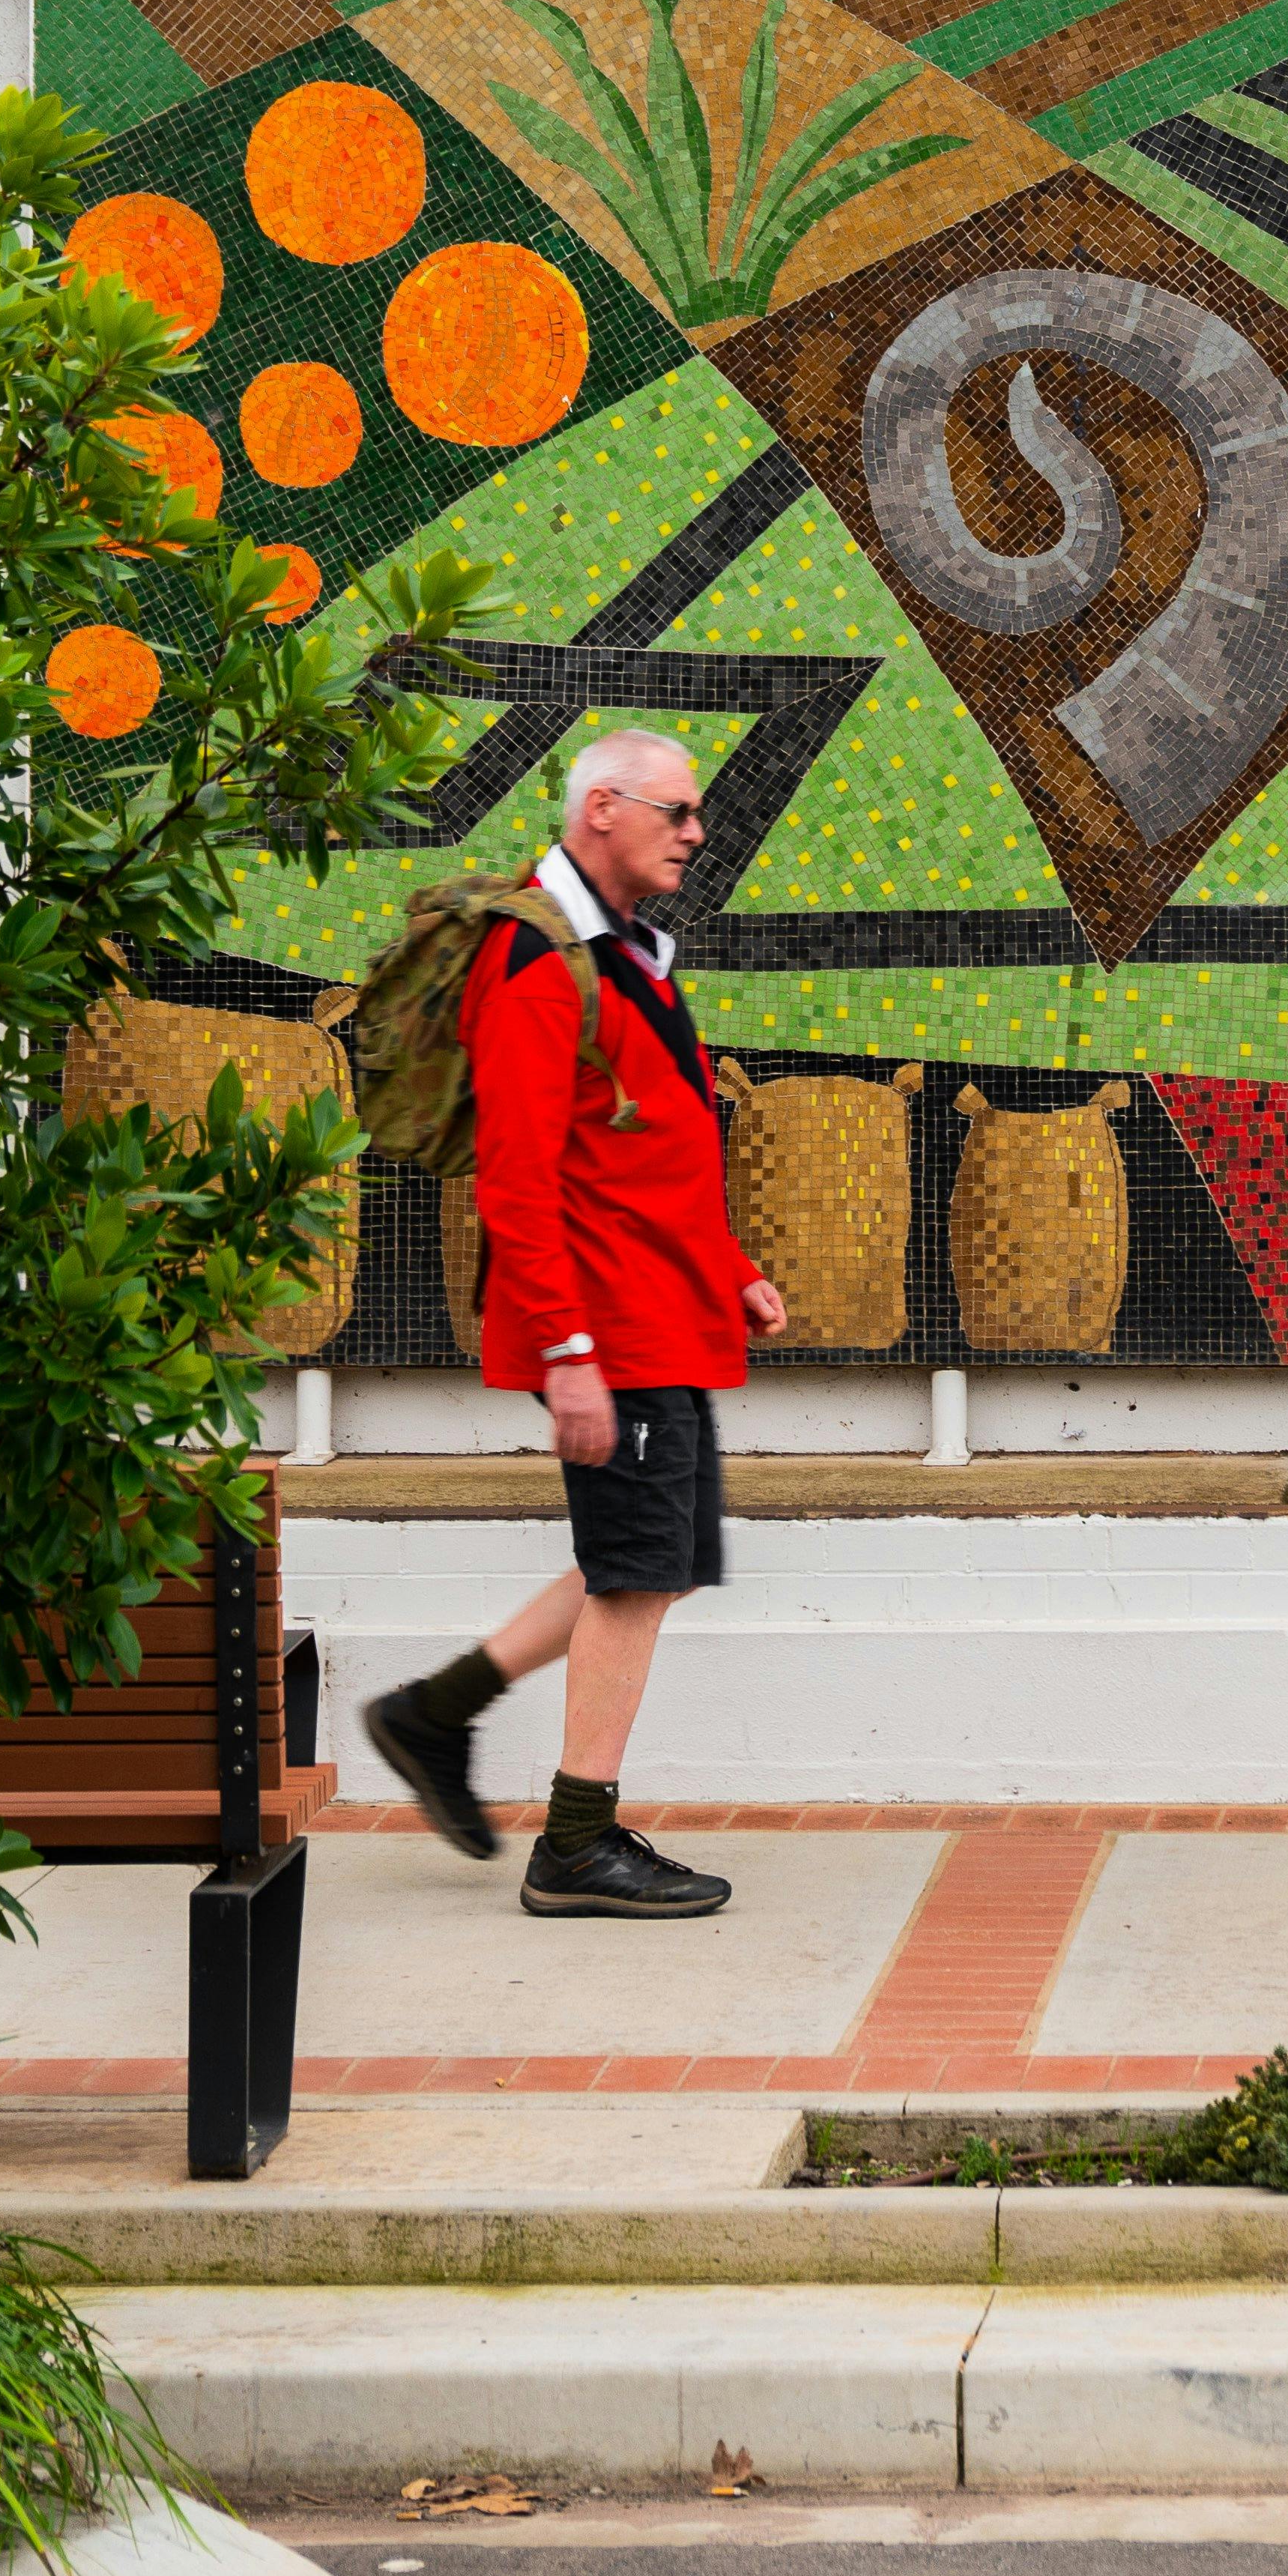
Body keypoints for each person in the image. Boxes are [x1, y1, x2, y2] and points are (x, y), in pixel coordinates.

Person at [356, 729, 788, 1917]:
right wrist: (567, 1353)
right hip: (609, 1326)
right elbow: (518, 1177)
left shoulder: (624, 953)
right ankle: (576, 1841)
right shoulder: (543, 964)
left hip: (659, 1306)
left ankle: (431, 1712)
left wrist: (730, 1262)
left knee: (647, 1566)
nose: (696, 833)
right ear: (602, 806)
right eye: (678, 811)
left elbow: (645, 1143)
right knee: (636, 1571)